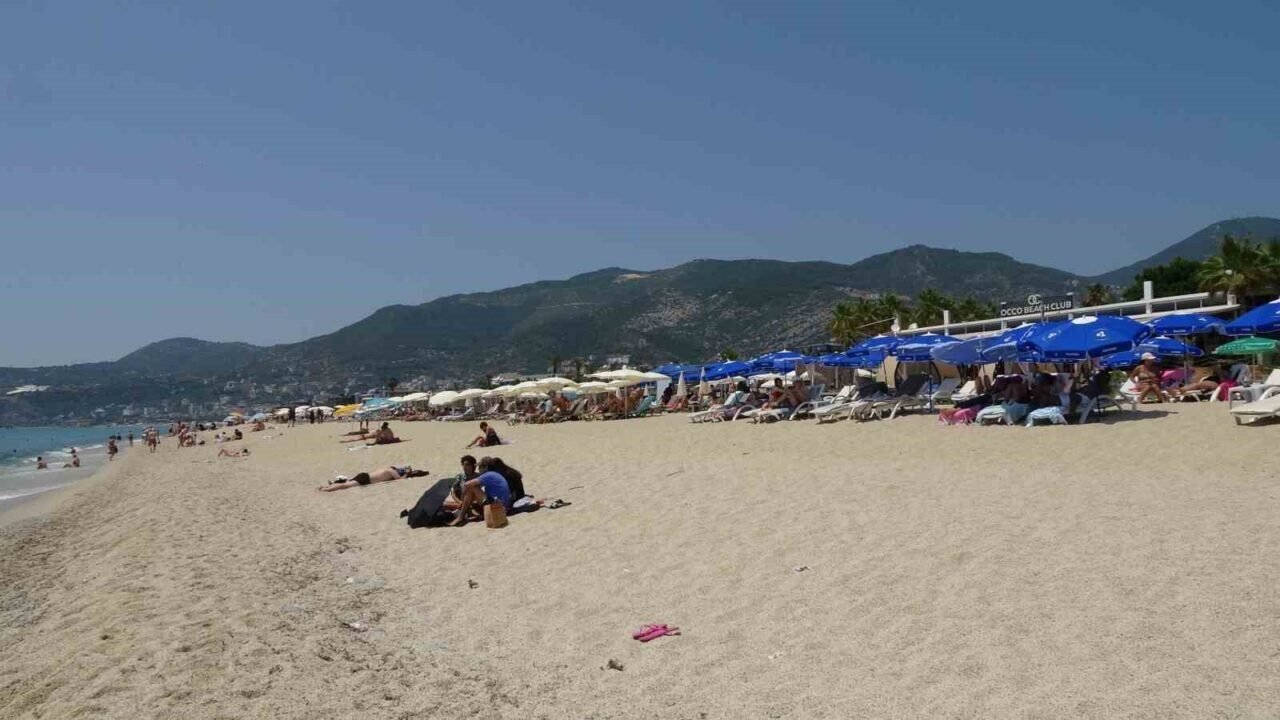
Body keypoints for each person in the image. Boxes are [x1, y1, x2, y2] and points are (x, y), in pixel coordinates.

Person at [449, 457, 511, 525]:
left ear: (485, 467)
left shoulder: (487, 475)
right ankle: (465, 512)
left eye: (480, 467)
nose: (478, 469)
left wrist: (463, 499)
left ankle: (460, 517)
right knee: (472, 496)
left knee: (472, 488)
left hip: (497, 507)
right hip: (503, 506)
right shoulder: (494, 474)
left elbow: (467, 485)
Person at [320, 464, 427, 491]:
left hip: (365, 475)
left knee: (348, 482)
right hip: (366, 479)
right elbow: (400, 479)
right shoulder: (391, 471)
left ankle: (330, 485)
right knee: (346, 486)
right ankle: (326, 489)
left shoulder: (388, 468)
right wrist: (406, 474)